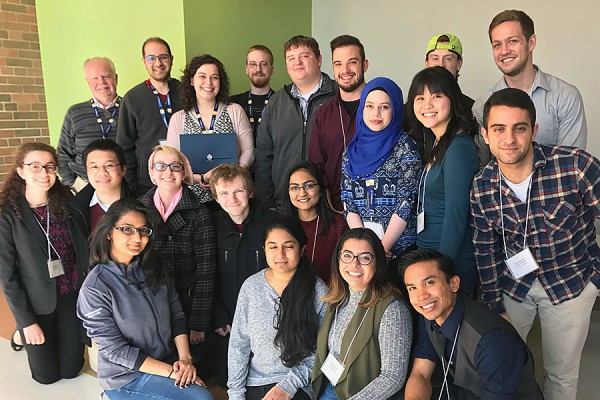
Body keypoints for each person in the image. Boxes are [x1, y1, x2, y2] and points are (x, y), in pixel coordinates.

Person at [471, 88, 600, 400]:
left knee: (561, 375)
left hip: (571, 284)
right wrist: (494, 305)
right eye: (499, 129)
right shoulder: (482, 186)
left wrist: (596, 279)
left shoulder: (575, 167)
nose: (509, 139)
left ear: (534, 131)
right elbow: (485, 249)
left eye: (519, 128)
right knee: (503, 365)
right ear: (486, 135)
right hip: (515, 286)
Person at [77, 198, 213, 400]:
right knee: (200, 397)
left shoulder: (153, 267)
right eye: (127, 229)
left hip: (166, 359)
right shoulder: (96, 287)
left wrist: (185, 360)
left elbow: (176, 314)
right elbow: (116, 350)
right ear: (109, 233)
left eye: (143, 230)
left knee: (200, 388)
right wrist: (172, 373)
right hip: (126, 376)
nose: (137, 237)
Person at [400, 249, 543, 400]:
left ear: (454, 284)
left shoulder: (492, 341)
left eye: (429, 283)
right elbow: (421, 374)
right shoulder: (430, 314)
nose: (421, 296)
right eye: (413, 288)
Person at [0, 142, 88, 384]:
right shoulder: (7, 214)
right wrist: (27, 323)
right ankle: (21, 335)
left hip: (71, 295)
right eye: (35, 166)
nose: (44, 173)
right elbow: (7, 277)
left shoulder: (67, 204)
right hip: (37, 303)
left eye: (50, 167)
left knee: (72, 370)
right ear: (21, 171)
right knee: (46, 377)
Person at [228, 215, 328, 400]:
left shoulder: (318, 290)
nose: (280, 255)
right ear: (264, 249)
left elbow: (323, 351)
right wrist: (235, 394)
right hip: (256, 382)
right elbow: (238, 344)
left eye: (289, 246)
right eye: (273, 247)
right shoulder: (251, 287)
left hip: (299, 384)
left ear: (302, 249)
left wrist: (287, 386)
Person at [472, 9, 587, 167]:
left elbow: (572, 166)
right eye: (497, 45)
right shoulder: (482, 106)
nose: (504, 51)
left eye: (512, 41)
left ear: (531, 42)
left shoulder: (565, 97)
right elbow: (482, 169)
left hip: (554, 191)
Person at [138, 145, 216, 366]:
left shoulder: (200, 212)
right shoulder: (138, 210)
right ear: (152, 173)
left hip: (188, 301)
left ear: (184, 173)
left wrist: (198, 323)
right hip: (151, 300)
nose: (168, 172)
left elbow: (207, 271)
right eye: (160, 166)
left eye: (175, 166)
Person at [312, 228, 412, 399]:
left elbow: (393, 377)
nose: (354, 264)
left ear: (378, 262)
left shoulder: (392, 309)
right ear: (338, 259)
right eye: (348, 255)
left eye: (365, 257)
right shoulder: (338, 297)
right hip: (330, 386)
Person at [405, 66, 480, 294]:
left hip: (450, 262)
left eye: (436, 96)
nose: (427, 105)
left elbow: (456, 216)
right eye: (420, 98)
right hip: (432, 257)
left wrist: (441, 271)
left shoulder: (459, 148)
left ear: (452, 99)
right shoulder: (437, 143)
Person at [209, 163, 279, 387]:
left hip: (267, 318)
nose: (233, 199)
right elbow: (207, 274)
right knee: (227, 380)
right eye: (224, 193)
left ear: (250, 191)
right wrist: (219, 315)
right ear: (216, 198)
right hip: (227, 318)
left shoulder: (271, 223)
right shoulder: (211, 224)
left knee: (264, 380)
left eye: (239, 191)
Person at [341, 77, 422, 262]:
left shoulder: (406, 148)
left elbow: (406, 202)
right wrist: (365, 248)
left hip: (398, 250)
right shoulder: (351, 151)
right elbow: (348, 201)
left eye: (384, 107)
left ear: (395, 109)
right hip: (363, 253)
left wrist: (382, 248)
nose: (375, 113)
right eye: (369, 106)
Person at [255, 35, 336, 211]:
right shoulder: (276, 103)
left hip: (330, 203)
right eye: (291, 58)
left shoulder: (339, 97)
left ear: (319, 60)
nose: (297, 62)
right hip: (285, 203)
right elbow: (264, 156)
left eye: (304, 56)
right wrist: (267, 204)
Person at [166, 54, 254, 204]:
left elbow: (249, 151)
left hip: (231, 197)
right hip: (192, 199)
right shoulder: (178, 118)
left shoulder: (235, 111)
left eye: (214, 77)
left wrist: (232, 177)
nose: (209, 82)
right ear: (192, 80)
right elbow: (173, 163)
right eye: (202, 76)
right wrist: (199, 178)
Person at [309, 35, 368, 212]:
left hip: (377, 211)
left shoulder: (383, 108)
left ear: (364, 65)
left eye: (352, 62)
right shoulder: (323, 115)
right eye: (338, 64)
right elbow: (317, 167)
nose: (345, 70)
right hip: (336, 211)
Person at [117, 37, 182, 195]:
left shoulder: (187, 92)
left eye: (163, 57)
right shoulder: (132, 98)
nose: (158, 63)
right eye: (151, 58)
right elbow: (125, 146)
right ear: (144, 61)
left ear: (171, 60)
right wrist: (131, 185)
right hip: (147, 183)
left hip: (184, 176)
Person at [58, 57, 121, 192]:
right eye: (95, 78)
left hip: (122, 187)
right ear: (87, 82)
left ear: (116, 78)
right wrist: (72, 185)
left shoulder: (131, 108)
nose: (101, 82)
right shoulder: (75, 113)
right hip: (83, 187)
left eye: (106, 76)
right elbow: (63, 153)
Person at [283, 160, 348, 282]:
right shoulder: (281, 228)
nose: (302, 193)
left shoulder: (339, 224)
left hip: (331, 296)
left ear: (321, 190)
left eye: (309, 186)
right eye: (294, 187)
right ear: (288, 192)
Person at [71, 139, 131, 235]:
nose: (102, 172)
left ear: (123, 169)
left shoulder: (142, 204)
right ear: (86, 171)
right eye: (94, 167)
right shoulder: (74, 209)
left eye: (109, 165)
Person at [230, 45, 276, 144]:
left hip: (272, 158)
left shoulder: (282, 102)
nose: (258, 69)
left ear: (272, 69)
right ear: (247, 69)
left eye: (263, 64)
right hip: (240, 158)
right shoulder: (232, 103)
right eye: (253, 64)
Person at [424, 33, 474, 109]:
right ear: (426, 63)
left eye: (448, 59)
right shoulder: (410, 111)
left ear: (459, 63)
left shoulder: (473, 110)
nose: (441, 65)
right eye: (435, 58)